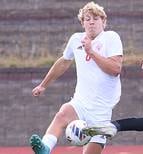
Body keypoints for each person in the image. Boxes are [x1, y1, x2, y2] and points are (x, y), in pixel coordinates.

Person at [29, 1, 123, 154]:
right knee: (62, 114)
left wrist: (91, 52)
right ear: (82, 23)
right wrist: (43, 85)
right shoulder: (75, 39)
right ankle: (45, 148)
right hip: (80, 102)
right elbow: (63, 62)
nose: (91, 22)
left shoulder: (111, 38)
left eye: (96, 18)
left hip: (101, 110)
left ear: (104, 22)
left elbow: (115, 69)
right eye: (87, 19)